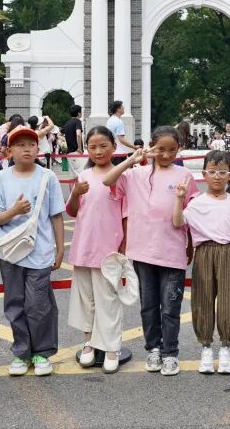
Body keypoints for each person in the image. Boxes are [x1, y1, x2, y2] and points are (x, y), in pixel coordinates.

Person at [103, 126, 199, 377]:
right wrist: (131, 160)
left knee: (170, 306)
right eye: (160, 149)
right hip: (142, 252)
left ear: (179, 149)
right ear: (151, 147)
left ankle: (170, 352)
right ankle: (153, 348)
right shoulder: (136, 174)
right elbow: (107, 180)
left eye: (172, 150)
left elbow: (192, 214)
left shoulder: (185, 175)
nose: (166, 155)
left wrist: (190, 246)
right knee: (148, 305)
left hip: (173, 252)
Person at [0, 125, 65, 377]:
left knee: (38, 304)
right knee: (15, 304)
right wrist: (14, 211)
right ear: (9, 150)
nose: (27, 149)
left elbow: (56, 216)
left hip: (40, 252)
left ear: (38, 148)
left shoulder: (47, 177)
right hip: (11, 252)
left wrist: (60, 249)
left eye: (31, 144)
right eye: (20, 145)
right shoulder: (1, 178)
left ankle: (41, 352)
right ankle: (22, 353)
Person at [173, 150, 230, 375]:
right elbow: (178, 222)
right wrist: (179, 198)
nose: (217, 176)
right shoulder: (196, 202)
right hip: (204, 252)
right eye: (212, 171)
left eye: (222, 172)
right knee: (202, 299)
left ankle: (225, 347)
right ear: (204, 174)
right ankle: (206, 347)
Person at [66, 126, 127, 374]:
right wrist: (74, 194)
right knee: (85, 300)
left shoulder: (121, 176)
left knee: (108, 300)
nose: (98, 151)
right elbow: (71, 210)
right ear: (86, 149)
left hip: (109, 249)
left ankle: (112, 347)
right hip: (83, 246)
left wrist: (124, 249)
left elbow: (126, 217)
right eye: (92, 147)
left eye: (103, 145)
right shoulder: (83, 176)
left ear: (114, 147)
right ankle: (89, 342)